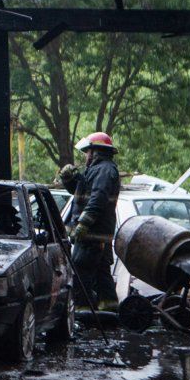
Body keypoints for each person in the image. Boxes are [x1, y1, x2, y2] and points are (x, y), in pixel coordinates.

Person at [59, 132, 121, 311]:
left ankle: (82, 313)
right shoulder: (97, 169)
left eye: (87, 152)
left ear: (96, 152)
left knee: (80, 273)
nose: (85, 156)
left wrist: (83, 224)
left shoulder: (105, 170)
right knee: (102, 276)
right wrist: (69, 178)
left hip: (93, 234)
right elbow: (79, 194)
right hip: (96, 234)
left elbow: (98, 199)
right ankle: (109, 312)